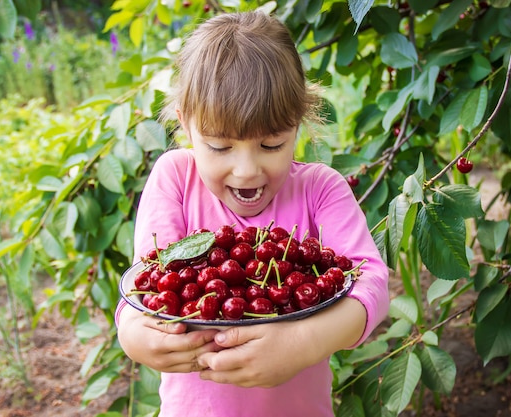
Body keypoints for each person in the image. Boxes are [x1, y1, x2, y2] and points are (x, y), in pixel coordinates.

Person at [115, 10, 390, 417]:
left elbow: (372, 286)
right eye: (221, 147)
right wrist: (136, 336)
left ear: (298, 125)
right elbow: (147, 284)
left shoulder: (320, 189)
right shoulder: (174, 178)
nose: (246, 170)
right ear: (185, 127)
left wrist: (304, 343)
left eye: (272, 144)